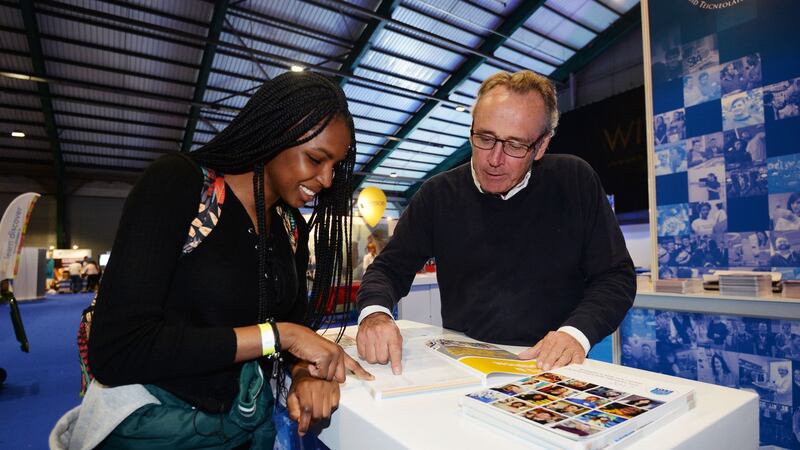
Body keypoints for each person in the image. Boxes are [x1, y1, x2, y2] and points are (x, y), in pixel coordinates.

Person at [61, 72, 373, 448]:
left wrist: (304, 374)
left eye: (335, 166)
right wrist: (279, 335)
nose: (326, 179)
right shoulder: (182, 185)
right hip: (154, 425)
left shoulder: (289, 227)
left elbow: (294, 336)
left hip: (244, 427)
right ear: (275, 134)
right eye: (316, 159)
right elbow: (117, 350)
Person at [355, 70, 635, 375]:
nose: (494, 159)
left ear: (541, 146)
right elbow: (388, 268)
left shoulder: (574, 181)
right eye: (485, 138)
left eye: (515, 145)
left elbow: (615, 277)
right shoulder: (438, 194)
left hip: (554, 365)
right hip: (466, 364)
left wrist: (576, 333)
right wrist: (376, 313)